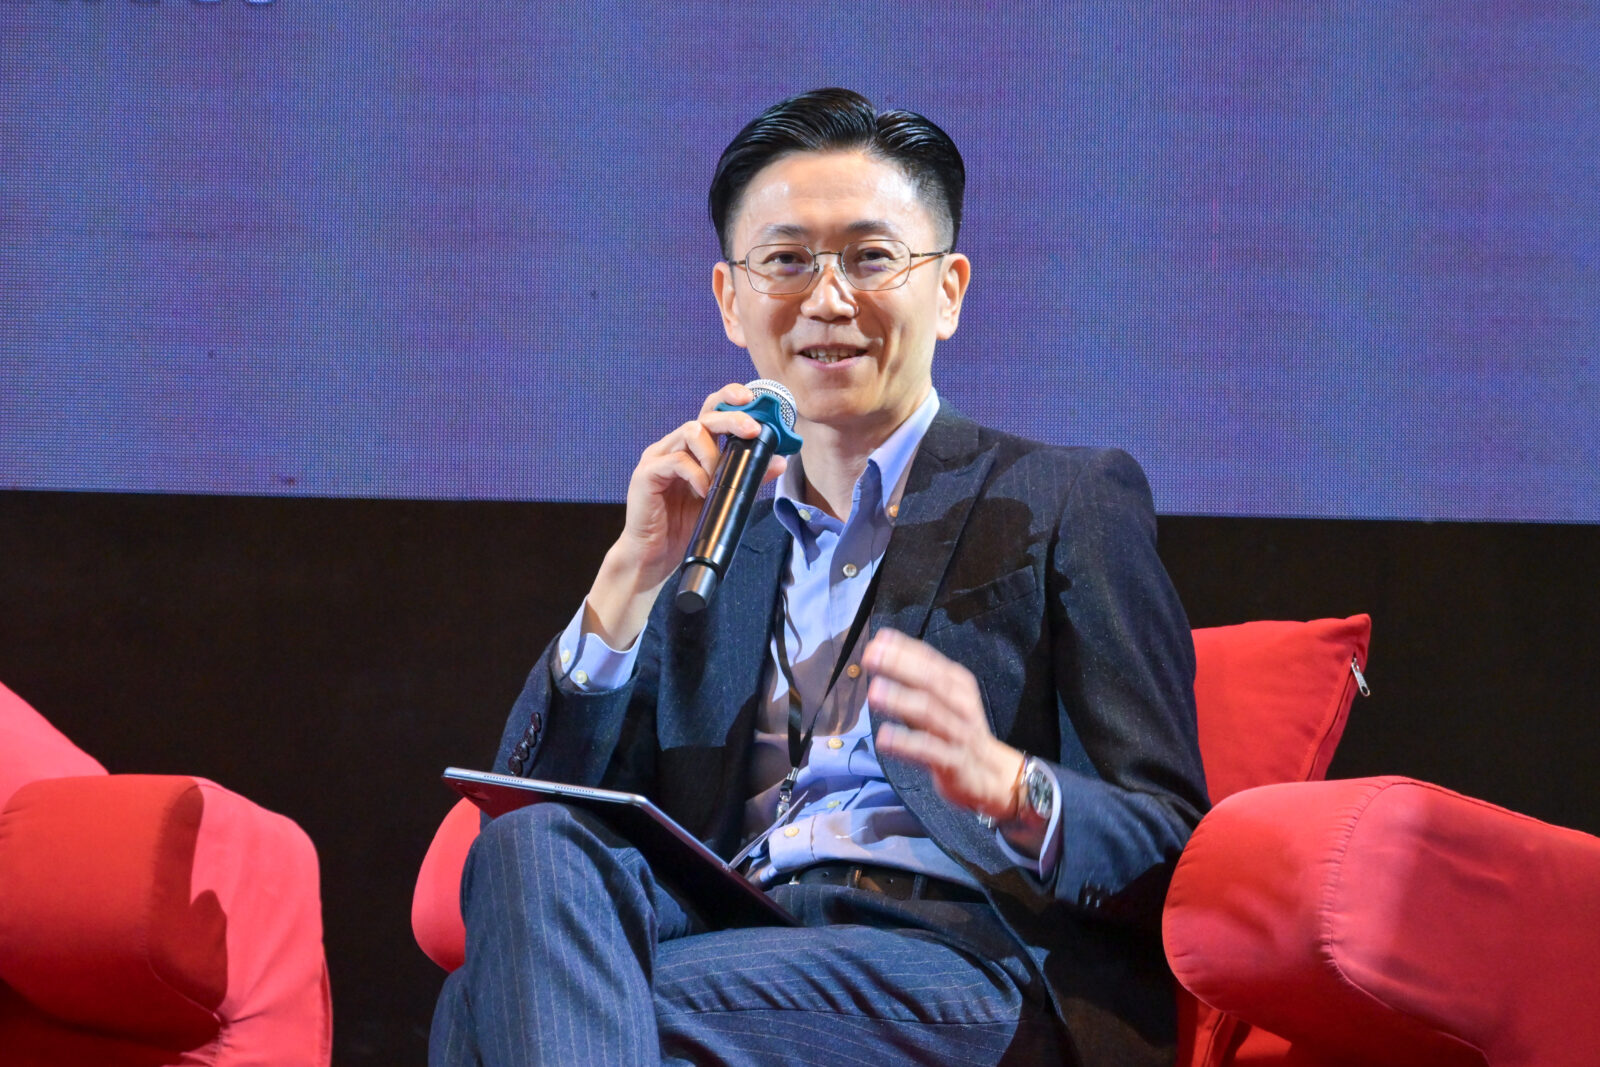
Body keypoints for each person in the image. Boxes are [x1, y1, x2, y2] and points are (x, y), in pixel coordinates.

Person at [430, 88, 1209, 1067]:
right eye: (788, 260)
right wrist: (629, 576)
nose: (828, 300)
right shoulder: (712, 536)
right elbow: (544, 807)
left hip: (957, 962)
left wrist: (1014, 786)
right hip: (737, 932)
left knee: (495, 1008)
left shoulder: (1062, 500)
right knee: (527, 851)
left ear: (949, 289)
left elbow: (1171, 838)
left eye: (870, 258)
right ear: (731, 299)